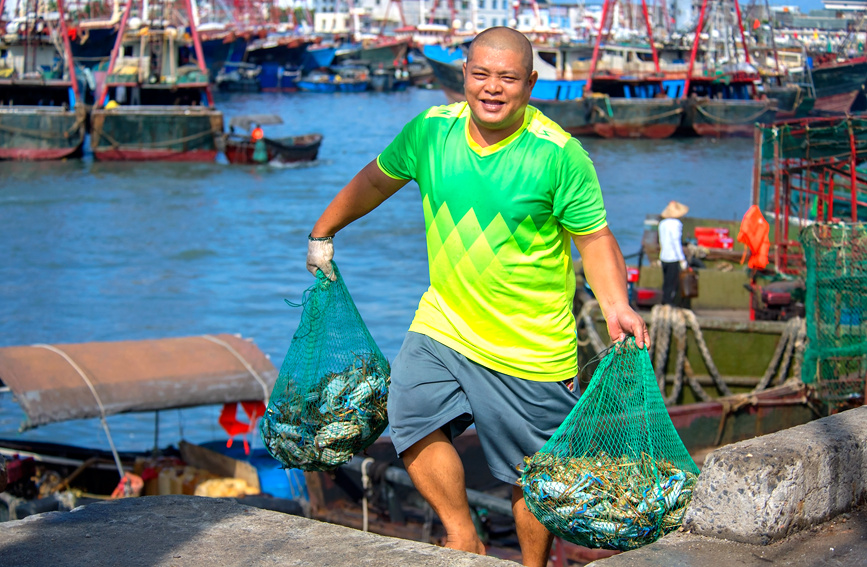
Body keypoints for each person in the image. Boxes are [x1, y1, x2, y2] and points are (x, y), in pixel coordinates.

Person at [306, 27, 648, 567]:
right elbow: (375, 180)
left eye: (507, 78)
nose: (492, 89)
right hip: (444, 323)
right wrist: (323, 232)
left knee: (532, 477)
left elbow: (595, 239)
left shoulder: (559, 155)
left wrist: (615, 305)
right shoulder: (430, 132)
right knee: (410, 413)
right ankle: (463, 536)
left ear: (530, 83)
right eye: (481, 75)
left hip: (529, 346)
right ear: (462, 75)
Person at [658, 200, 689, 306]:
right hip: (673, 258)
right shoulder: (676, 224)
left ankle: (664, 301)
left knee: (666, 282)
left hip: (663, 257)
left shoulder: (662, 223)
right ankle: (668, 303)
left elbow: (662, 241)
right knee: (672, 284)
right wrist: (682, 259)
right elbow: (676, 243)